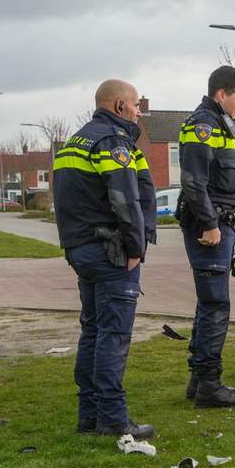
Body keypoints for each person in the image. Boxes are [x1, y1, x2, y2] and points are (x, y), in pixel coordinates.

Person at [52, 79, 157, 438]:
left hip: (81, 250)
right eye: (135, 105)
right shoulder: (112, 142)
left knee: (93, 332)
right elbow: (125, 199)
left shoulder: (74, 141)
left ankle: (89, 416)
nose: (139, 111)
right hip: (110, 252)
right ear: (118, 106)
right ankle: (113, 419)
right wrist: (135, 249)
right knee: (114, 335)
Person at [176, 65, 235, 408]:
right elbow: (194, 181)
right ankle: (209, 384)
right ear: (221, 94)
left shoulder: (219, 124)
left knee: (210, 303)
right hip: (209, 228)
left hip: (220, 222)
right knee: (215, 304)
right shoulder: (203, 126)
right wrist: (209, 224)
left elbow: (219, 180)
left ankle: (199, 380)